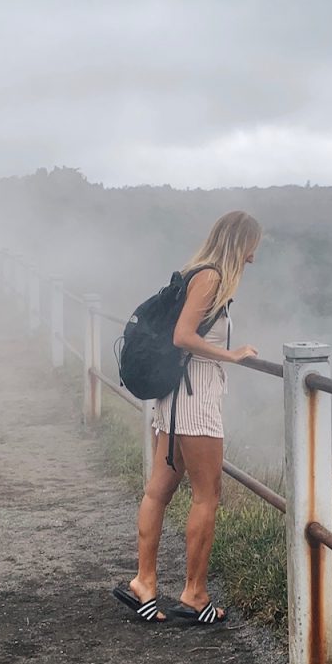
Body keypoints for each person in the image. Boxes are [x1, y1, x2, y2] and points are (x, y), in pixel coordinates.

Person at [114, 211, 262, 624]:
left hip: (176, 397)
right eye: (251, 247)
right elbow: (183, 336)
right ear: (238, 243)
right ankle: (195, 594)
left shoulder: (197, 272)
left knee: (158, 490)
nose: (253, 257)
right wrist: (232, 355)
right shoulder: (211, 277)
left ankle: (144, 584)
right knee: (206, 494)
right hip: (193, 399)